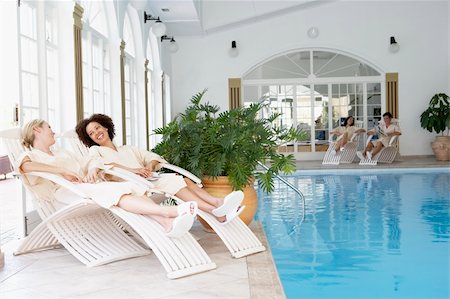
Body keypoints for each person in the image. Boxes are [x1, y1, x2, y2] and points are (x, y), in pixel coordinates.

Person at [18, 119, 198, 238]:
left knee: (129, 188)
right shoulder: (31, 155)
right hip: (65, 192)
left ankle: (166, 222)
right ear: (37, 130)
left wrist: (92, 170)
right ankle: (168, 213)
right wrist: (61, 171)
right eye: (49, 127)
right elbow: (26, 167)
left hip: (85, 186)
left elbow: (90, 161)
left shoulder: (61, 152)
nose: (53, 131)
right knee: (116, 189)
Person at [75, 114, 244, 225]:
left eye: (97, 128)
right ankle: (215, 209)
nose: (96, 133)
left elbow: (153, 157)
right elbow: (96, 164)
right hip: (131, 185)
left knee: (181, 179)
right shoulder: (95, 151)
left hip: (148, 180)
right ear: (90, 139)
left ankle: (217, 204)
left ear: (105, 127)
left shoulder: (128, 149)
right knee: (176, 181)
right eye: (91, 133)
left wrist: (148, 166)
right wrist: (133, 170)